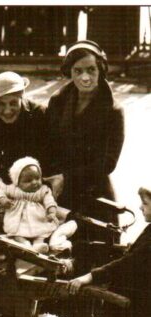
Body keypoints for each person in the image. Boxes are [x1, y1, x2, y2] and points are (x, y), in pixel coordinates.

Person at [68, 184, 151, 317]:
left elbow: (128, 263)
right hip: (146, 300)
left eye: (145, 204)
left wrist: (91, 276)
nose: (141, 208)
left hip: (138, 300)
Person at [45, 40, 124, 220]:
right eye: (77, 71)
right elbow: (48, 143)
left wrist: (67, 178)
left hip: (94, 191)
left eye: (91, 70)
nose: (85, 77)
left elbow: (107, 163)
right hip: (58, 190)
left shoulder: (113, 111)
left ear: (101, 70)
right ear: (69, 72)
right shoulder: (57, 102)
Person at [0, 157, 77, 254]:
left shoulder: (43, 190)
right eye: (28, 180)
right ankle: (24, 243)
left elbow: (50, 201)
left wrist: (51, 212)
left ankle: (38, 244)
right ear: (17, 182)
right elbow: (0, 192)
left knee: (41, 233)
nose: (35, 182)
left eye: (37, 178)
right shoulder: (12, 189)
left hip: (37, 218)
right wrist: (3, 200)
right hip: (17, 218)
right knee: (15, 232)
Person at [0, 71, 49, 183]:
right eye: (1, 104)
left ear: (22, 98)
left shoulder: (39, 114)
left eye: (13, 103)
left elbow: (46, 156)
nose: (7, 111)